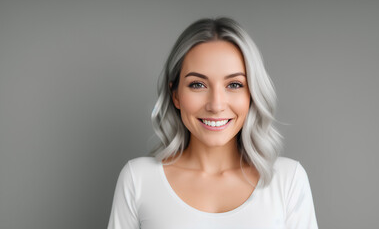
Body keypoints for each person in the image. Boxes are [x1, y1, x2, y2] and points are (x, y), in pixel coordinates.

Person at [107, 17, 318, 229]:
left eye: (234, 84)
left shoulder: (288, 180)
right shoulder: (138, 179)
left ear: (252, 94)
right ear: (176, 95)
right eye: (198, 84)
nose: (216, 105)